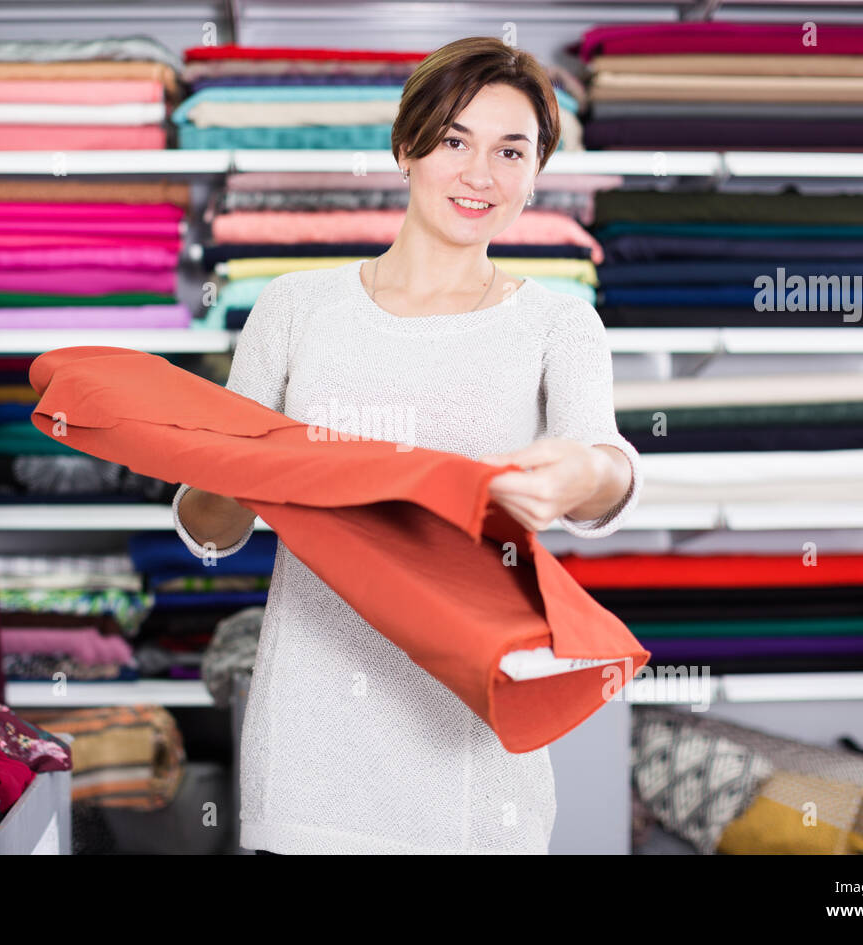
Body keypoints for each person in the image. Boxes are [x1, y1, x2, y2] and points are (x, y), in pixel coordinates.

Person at [174, 36, 641, 854]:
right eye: (455, 140)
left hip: (471, 750)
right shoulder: (294, 308)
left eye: (511, 151)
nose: (479, 174)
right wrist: (226, 481)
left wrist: (581, 473)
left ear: (536, 174)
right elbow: (213, 527)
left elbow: (604, 467)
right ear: (406, 145)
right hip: (314, 742)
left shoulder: (558, 322)